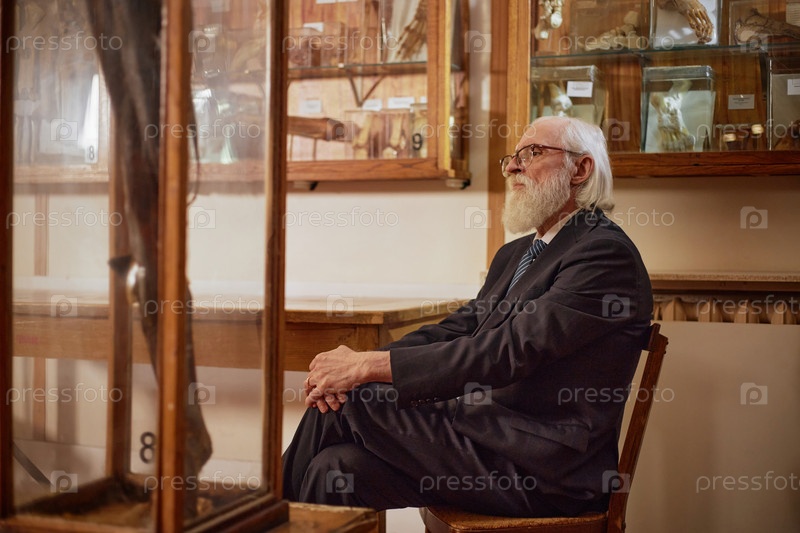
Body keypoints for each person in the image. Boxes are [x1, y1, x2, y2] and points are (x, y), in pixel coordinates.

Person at [282, 115, 653, 517]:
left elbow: (506, 351)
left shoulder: (603, 254)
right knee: (334, 469)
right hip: (488, 439)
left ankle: (263, 516)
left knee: (353, 401)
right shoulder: (516, 254)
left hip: (546, 470)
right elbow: (458, 330)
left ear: (580, 169)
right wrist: (358, 363)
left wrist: (365, 370)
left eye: (532, 153)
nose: (512, 167)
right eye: (513, 157)